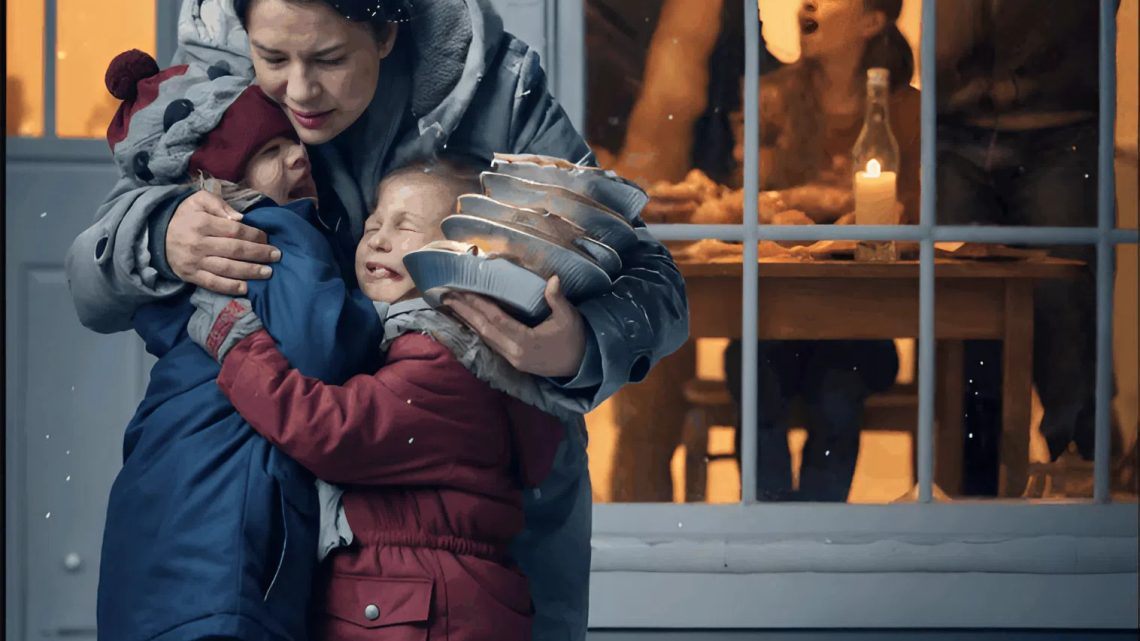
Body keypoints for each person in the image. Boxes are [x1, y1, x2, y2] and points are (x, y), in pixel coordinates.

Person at [65, 1, 690, 638]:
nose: (299, 91)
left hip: (475, 533)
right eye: (273, 58)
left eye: (330, 59)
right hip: (262, 520)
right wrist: (158, 232)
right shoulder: (209, 88)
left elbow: (653, 281)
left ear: (389, 31)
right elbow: (90, 284)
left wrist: (578, 346)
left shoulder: (498, 91)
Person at [188, 157, 573, 640]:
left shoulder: (445, 360)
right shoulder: (452, 352)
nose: (378, 238)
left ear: (468, 254)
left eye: (405, 226)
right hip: (434, 601)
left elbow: (332, 432)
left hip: (414, 610)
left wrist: (236, 342)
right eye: (373, 224)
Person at [88, 50, 384, 641]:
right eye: (270, 155)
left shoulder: (179, 273)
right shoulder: (273, 232)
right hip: (228, 542)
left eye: (287, 142)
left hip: (158, 531)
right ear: (217, 185)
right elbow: (319, 348)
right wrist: (380, 310)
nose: (298, 155)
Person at [935, 0, 1122, 492]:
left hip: (1061, 122)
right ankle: (970, 486)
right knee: (962, 317)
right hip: (957, 123)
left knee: (1066, 305)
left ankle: (1083, 466)